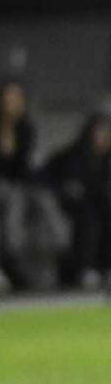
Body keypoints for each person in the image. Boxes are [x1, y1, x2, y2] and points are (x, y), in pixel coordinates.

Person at [0, 78, 67, 293]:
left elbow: (24, 169)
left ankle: (60, 242)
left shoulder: (25, 128)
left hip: (17, 188)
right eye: (10, 98)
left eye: (18, 99)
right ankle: (13, 248)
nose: (14, 103)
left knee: (35, 199)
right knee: (11, 198)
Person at [45, 111, 111, 290]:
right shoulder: (73, 155)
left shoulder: (106, 160)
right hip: (74, 206)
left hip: (100, 206)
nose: (104, 138)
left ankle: (105, 267)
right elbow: (51, 177)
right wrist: (67, 188)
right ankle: (86, 268)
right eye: (100, 133)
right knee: (89, 217)